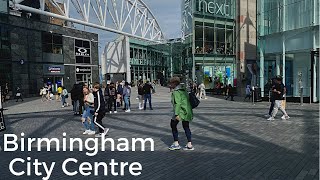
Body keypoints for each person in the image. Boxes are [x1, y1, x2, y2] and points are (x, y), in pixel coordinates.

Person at [168, 76, 194, 151]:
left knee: (173, 125)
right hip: (187, 111)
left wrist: (176, 114)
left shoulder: (176, 92)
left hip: (180, 111)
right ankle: (189, 144)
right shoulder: (184, 90)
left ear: (174, 83)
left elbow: (178, 103)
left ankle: (176, 143)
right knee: (186, 126)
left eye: (171, 83)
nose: (170, 85)